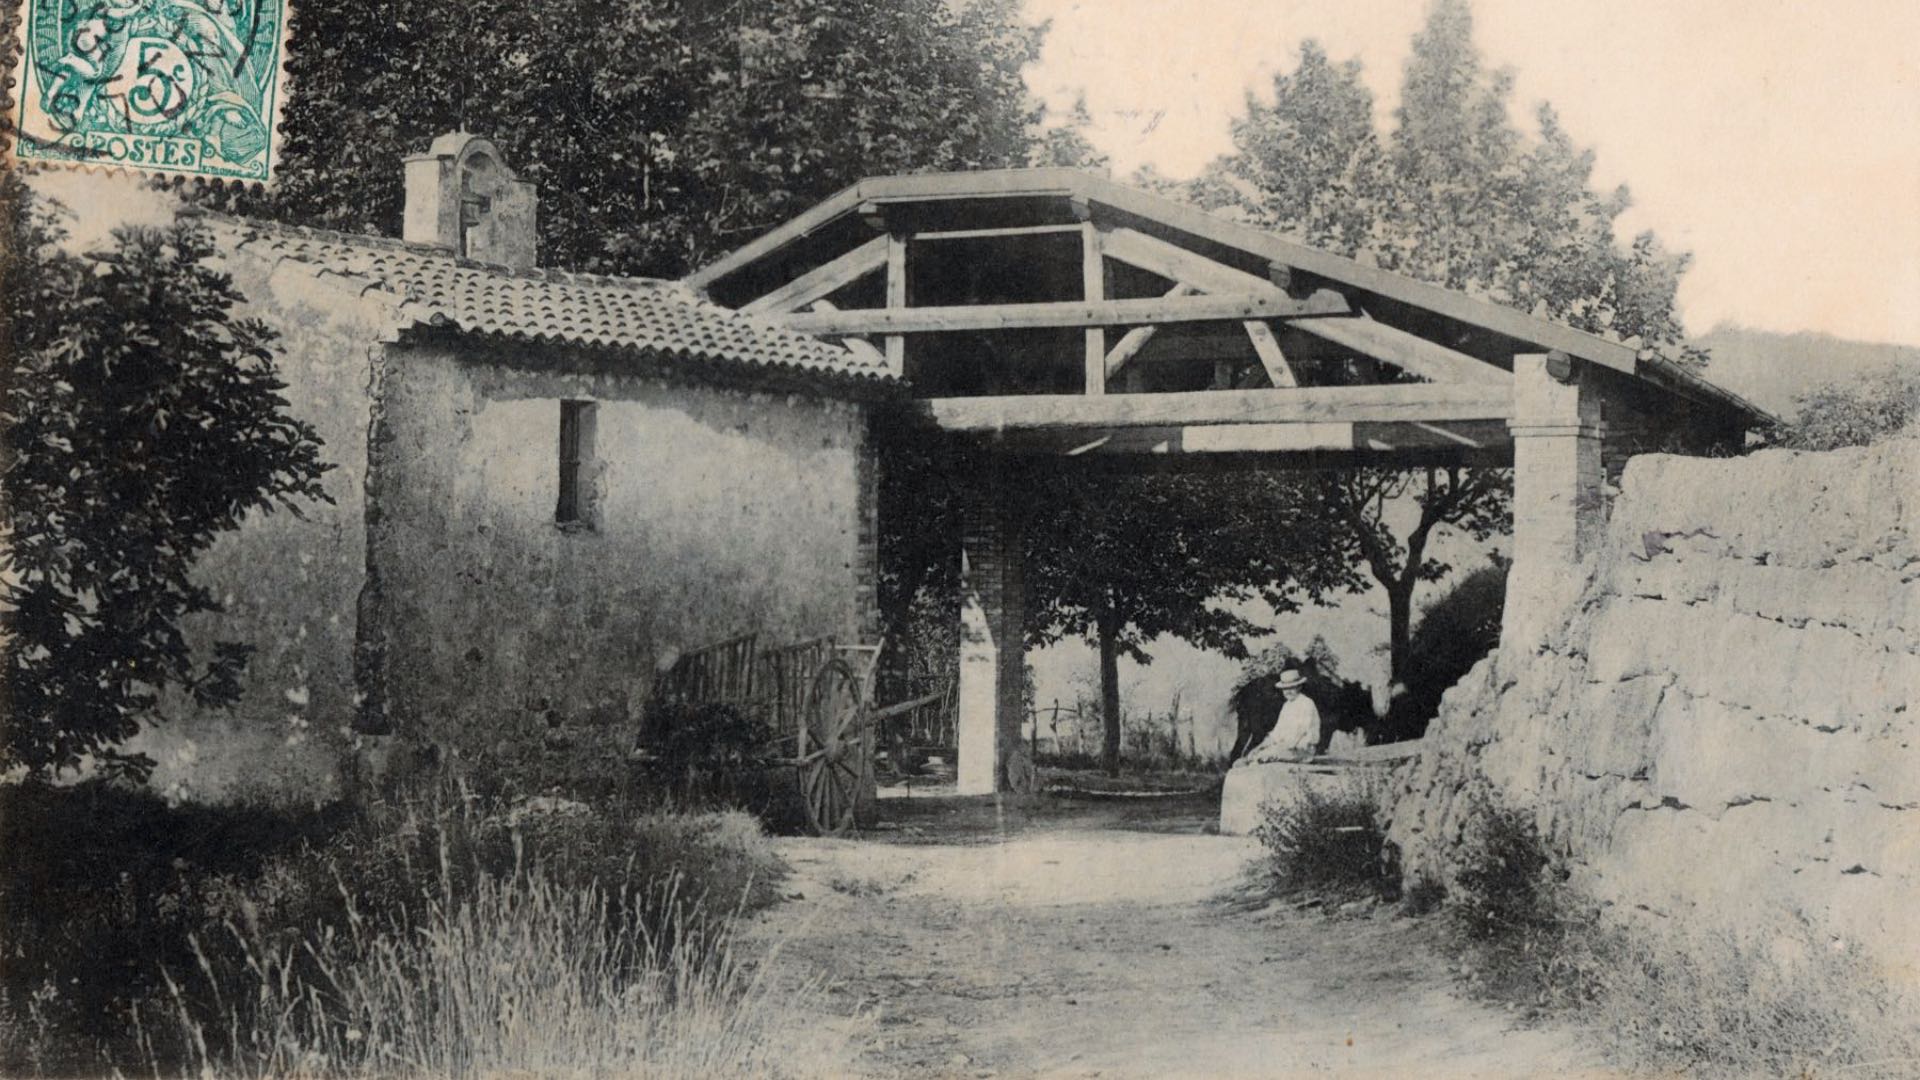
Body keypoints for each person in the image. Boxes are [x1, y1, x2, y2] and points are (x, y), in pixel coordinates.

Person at [1242, 668, 1320, 764]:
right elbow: (1277, 733)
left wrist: (1274, 749)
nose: (1288, 692)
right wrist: (1259, 747)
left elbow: (1299, 733)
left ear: (1299, 687)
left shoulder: (1306, 703)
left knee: (1261, 758)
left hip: (1301, 750)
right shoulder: (1287, 705)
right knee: (1253, 755)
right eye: (1285, 688)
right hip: (1286, 748)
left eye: (1292, 687)